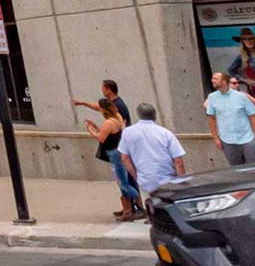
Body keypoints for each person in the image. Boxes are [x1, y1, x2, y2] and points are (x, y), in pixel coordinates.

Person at [79, 94, 138, 222]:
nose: (99, 110)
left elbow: (101, 138)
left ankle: (144, 203)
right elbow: (107, 134)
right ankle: (128, 210)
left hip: (114, 153)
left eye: (100, 108)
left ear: (104, 109)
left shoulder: (108, 122)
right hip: (119, 151)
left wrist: (91, 129)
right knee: (123, 182)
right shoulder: (117, 118)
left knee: (123, 183)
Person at [118, 103, 187, 207]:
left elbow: (124, 158)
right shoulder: (165, 133)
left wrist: (136, 176)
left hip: (145, 180)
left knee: (151, 211)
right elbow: (178, 162)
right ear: (155, 115)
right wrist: (181, 182)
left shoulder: (128, 133)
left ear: (138, 115)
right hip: (168, 181)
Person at [206, 71, 255, 166]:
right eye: (212, 78)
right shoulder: (212, 98)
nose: (212, 81)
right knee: (236, 170)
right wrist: (216, 138)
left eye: (215, 79)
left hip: (248, 139)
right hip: (227, 141)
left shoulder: (241, 96)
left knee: (254, 169)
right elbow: (211, 119)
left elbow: (252, 117)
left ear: (224, 81)